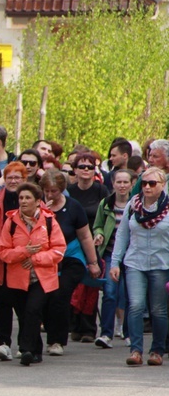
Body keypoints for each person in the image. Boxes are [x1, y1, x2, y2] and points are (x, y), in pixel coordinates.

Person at [0, 183, 66, 366]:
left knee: (33, 310)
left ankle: (26, 348)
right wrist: (24, 251)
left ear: (38, 202)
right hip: (18, 279)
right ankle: (36, 350)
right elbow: (3, 252)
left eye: (28, 198)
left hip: (42, 278)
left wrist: (36, 258)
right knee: (24, 315)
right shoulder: (11, 222)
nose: (23, 201)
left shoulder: (49, 221)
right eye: (21, 198)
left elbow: (59, 250)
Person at [110, 167, 169, 366]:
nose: (147, 187)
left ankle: (157, 351)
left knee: (159, 309)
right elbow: (122, 235)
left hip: (162, 264)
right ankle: (136, 350)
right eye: (144, 183)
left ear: (163, 185)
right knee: (135, 305)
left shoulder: (168, 207)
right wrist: (115, 262)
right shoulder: (132, 206)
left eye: (152, 183)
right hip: (135, 262)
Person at [40, 170, 101, 356]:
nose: (50, 195)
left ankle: (57, 341)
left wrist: (93, 263)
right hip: (46, 259)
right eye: (47, 191)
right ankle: (48, 333)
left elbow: (84, 236)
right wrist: (42, 212)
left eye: (54, 191)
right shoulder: (38, 208)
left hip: (71, 257)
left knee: (60, 294)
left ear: (62, 190)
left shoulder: (74, 207)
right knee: (46, 298)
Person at [0, 161, 28, 360]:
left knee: (23, 303)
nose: (12, 181)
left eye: (17, 178)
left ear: (24, 180)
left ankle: (24, 343)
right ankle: (3, 343)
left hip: (23, 260)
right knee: (1, 302)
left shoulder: (34, 202)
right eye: (9, 177)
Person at [67, 152, 109, 341]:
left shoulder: (101, 191)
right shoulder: (69, 191)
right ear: (74, 170)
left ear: (95, 170)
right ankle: (74, 326)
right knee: (74, 284)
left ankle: (88, 329)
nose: (85, 170)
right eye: (81, 166)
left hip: (95, 242)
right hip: (73, 243)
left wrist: (100, 234)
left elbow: (107, 215)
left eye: (89, 167)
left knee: (90, 284)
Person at [92, 169, 135, 348]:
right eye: (119, 182)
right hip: (111, 254)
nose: (122, 185)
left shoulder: (136, 204)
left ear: (132, 184)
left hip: (132, 256)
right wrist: (99, 234)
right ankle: (106, 333)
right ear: (113, 183)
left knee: (128, 294)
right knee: (110, 293)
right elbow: (98, 225)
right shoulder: (106, 203)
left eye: (126, 182)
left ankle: (127, 331)